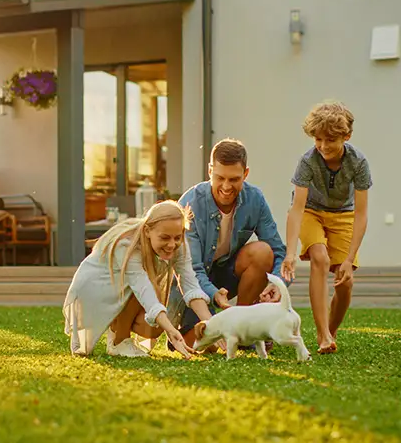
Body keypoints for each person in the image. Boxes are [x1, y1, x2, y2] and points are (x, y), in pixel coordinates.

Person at [174, 138, 289, 348]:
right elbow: (191, 269)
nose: (226, 187)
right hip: (191, 282)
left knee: (262, 252)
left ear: (245, 174)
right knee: (202, 345)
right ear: (210, 171)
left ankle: (244, 330)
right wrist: (213, 294)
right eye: (220, 178)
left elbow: (277, 250)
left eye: (234, 179)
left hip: (226, 274)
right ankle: (196, 330)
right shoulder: (190, 204)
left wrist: (278, 283)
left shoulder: (255, 199)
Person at [63, 200, 215, 359]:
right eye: (165, 237)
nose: (172, 244)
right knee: (146, 294)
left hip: (125, 288)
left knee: (154, 328)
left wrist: (214, 327)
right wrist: (171, 330)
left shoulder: (179, 245)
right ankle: (119, 341)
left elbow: (191, 286)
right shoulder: (127, 245)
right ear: (148, 231)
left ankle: (117, 332)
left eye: (177, 237)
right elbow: (143, 289)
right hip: (94, 289)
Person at [281, 101, 372, 354]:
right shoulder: (308, 161)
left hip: (344, 215)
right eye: (318, 139)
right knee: (319, 257)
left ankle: (330, 334)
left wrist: (350, 258)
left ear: (347, 136)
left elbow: (362, 214)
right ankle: (322, 334)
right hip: (311, 212)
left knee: (345, 282)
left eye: (330, 140)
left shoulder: (358, 162)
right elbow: (297, 208)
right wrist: (290, 253)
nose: (322, 146)